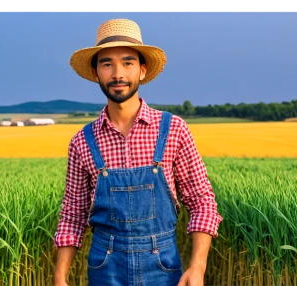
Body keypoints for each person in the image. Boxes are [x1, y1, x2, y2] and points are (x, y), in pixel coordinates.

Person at [53, 18, 223, 286]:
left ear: (142, 71)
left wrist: (198, 267)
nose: (117, 73)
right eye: (107, 63)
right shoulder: (82, 141)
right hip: (104, 267)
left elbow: (202, 201)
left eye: (128, 63)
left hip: (162, 266)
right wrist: (60, 277)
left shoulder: (173, 129)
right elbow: (73, 213)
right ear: (96, 73)